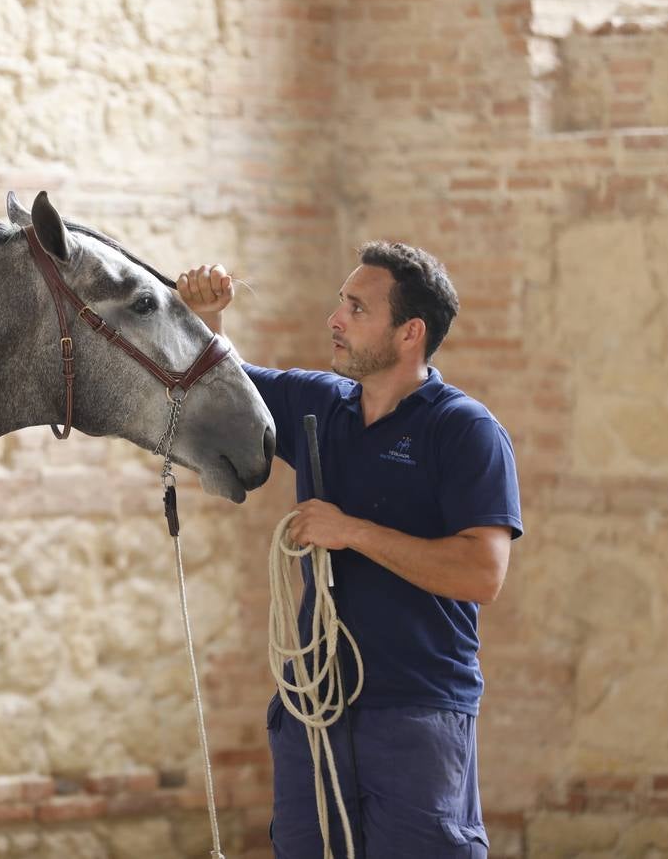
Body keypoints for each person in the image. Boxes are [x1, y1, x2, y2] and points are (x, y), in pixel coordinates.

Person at [177, 243, 523, 859]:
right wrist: (209, 318)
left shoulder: (465, 430)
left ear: (410, 331)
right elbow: (221, 392)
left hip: (415, 712)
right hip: (311, 708)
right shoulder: (318, 402)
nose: (335, 320)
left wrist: (352, 531)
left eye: (357, 309)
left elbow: (482, 573)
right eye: (341, 302)